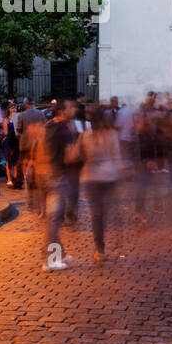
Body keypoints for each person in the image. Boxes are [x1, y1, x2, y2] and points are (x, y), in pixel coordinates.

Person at [79, 107, 123, 263]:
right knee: (102, 212)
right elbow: (116, 156)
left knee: (96, 214)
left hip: (90, 177)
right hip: (107, 176)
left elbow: (79, 155)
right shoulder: (111, 135)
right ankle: (103, 244)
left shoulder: (85, 136)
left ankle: (100, 247)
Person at [43, 100, 81, 269]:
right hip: (58, 176)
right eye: (71, 108)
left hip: (46, 174)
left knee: (54, 218)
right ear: (63, 111)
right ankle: (50, 261)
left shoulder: (49, 125)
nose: (74, 110)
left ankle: (61, 255)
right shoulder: (65, 129)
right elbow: (69, 157)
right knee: (54, 220)